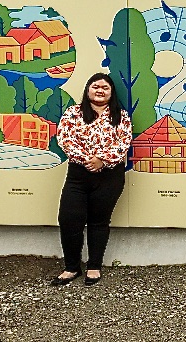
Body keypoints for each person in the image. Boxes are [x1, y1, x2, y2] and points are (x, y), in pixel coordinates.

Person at [51, 73, 132, 286]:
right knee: (69, 219)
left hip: (109, 176)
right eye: (95, 86)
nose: (100, 90)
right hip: (78, 174)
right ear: (88, 89)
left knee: (99, 221)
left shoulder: (120, 116)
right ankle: (71, 267)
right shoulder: (73, 113)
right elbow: (65, 138)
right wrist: (88, 160)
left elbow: (123, 143)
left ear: (111, 92)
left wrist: (102, 161)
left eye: (105, 87)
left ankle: (94, 266)